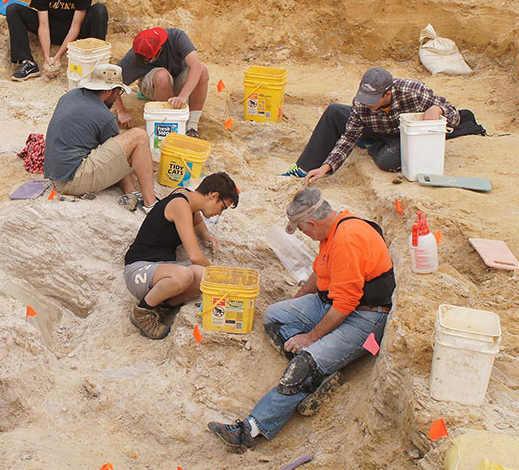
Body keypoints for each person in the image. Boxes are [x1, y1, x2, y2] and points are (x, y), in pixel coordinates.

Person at [208, 188, 394, 450]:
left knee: (305, 364)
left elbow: (345, 304)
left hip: (365, 317)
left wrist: (310, 337)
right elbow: (320, 273)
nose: (305, 235)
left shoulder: (347, 240)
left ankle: (252, 429)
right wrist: (297, 301)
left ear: (311, 223)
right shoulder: (334, 228)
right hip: (333, 302)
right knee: (275, 316)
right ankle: (320, 374)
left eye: (303, 230)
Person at [281, 67, 460, 182]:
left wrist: (438, 109)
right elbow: (348, 138)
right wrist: (325, 168)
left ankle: (372, 146)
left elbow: (454, 114)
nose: (367, 103)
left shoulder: (414, 92)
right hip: (372, 127)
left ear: (388, 94)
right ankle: (304, 167)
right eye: (365, 98)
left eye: (372, 100)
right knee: (334, 111)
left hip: (400, 136)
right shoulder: (361, 104)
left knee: (388, 160)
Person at [124, 172, 238, 340]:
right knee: (185, 275)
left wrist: (206, 236)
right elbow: (194, 255)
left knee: (202, 276)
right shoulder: (180, 204)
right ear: (214, 196)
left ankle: (161, 308)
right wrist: (221, 279)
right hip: (139, 269)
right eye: (223, 208)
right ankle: (142, 312)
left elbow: (197, 221)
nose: (220, 213)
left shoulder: (187, 197)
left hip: (161, 270)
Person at [44, 64, 156, 211]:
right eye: (118, 92)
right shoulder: (104, 116)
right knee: (139, 136)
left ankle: (131, 191)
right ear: (109, 91)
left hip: (56, 174)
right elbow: (122, 157)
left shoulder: (69, 96)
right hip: (71, 180)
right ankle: (151, 203)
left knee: (118, 148)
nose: (117, 97)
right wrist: (145, 161)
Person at [6, 0, 109, 81]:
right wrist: (47, 57)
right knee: (13, 9)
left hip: (75, 33)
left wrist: (59, 55)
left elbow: (75, 27)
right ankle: (28, 63)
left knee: (100, 10)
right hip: (52, 28)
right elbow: (43, 26)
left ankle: (96, 62)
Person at [115, 27, 209, 137]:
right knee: (162, 76)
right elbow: (112, 82)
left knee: (202, 70)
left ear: (159, 50)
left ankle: (192, 126)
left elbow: (196, 66)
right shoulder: (137, 53)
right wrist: (121, 112)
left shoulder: (177, 37)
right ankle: (170, 124)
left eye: (149, 60)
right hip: (154, 85)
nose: (144, 62)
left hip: (176, 79)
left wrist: (183, 96)